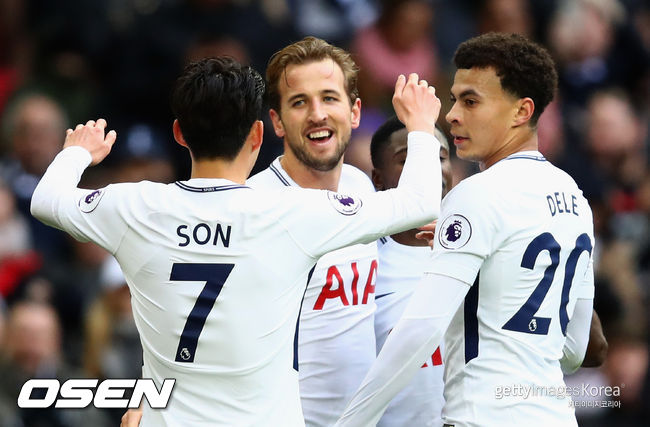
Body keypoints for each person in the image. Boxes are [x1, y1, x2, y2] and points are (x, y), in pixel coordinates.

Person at [30, 57, 443, 425]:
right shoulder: (291, 212)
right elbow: (419, 203)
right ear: (258, 134)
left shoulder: (136, 207)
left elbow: (46, 201)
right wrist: (422, 126)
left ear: (179, 133)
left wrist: (78, 152)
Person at [336, 32, 597, 427]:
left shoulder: (476, 194)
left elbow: (419, 332)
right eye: (454, 99)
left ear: (522, 111)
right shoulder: (576, 198)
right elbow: (575, 350)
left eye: (471, 101)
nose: (452, 114)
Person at [246, 36, 379, 427]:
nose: (317, 114)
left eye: (329, 98)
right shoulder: (251, 206)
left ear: (354, 111)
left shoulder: (361, 186)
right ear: (277, 122)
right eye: (299, 102)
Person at [369, 117, 453, 426]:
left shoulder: (481, 247)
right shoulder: (365, 263)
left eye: (440, 157)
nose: (430, 168)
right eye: (408, 159)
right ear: (378, 179)